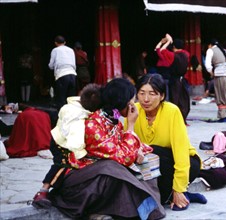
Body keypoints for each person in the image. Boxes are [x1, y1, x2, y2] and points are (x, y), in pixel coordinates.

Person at [48, 78, 165, 219]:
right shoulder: (93, 126)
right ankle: (134, 207)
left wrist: (139, 149)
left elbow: (123, 144)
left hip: (98, 173)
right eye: (131, 101)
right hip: (80, 181)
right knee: (111, 168)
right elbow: (123, 157)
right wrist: (131, 126)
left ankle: (144, 206)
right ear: (122, 103)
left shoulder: (111, 119)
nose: (133, 105)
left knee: (147, 159)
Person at [126, 73, 207, 211]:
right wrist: (131, 124)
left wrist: (178, 188)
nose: (146, 99)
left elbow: (180, 151)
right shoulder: (134, 111)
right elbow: (126, 145)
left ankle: (179, 193)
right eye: (142, 93)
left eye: (152, 94)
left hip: (172, 160)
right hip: (148, 164)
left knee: (158, 153)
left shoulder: (172, 112)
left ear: (162, 96)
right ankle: (179, 196)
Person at [31, 83, 102, 209]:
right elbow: (76, 142)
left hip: (59, 138)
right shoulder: (77, 118)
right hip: (61, 144)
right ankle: (42, 192)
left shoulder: (73, 106)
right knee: (61, 165)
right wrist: (82, 155)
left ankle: (54, 191)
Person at [205, 39, 226, 123]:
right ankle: (225, 116)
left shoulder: (210, 50)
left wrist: (212, 73)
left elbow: (207, 66)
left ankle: (223, 117)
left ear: (210, 45)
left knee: (220, 95)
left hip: (220, 75)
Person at [48, 35, 77, 110]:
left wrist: (51, 67)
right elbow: (74, 63)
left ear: (55, 43)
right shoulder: (71, 50)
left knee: (61, 98)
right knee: (71, 99)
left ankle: (61, 116)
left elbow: (51, 65)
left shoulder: (55, 50)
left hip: (62, 75)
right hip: (72, 74)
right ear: (65, 42)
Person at [167, 35, 191, 124]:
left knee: (174, 100)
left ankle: (175, 120)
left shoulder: (173, 56)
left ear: (173, 47)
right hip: (183, 80)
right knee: (184, 100)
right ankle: (182, 119)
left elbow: (160, 51)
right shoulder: (186, 54)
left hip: (174, 80)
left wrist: (168, 41)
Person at [155, 34, 174, 101]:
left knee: (163, 89)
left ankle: (164, 100)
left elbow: (157, 48)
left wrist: (167, 41)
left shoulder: (164, 57)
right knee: (166, 89)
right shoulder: (171, 55)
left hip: (162, 76)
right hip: (167, 75)